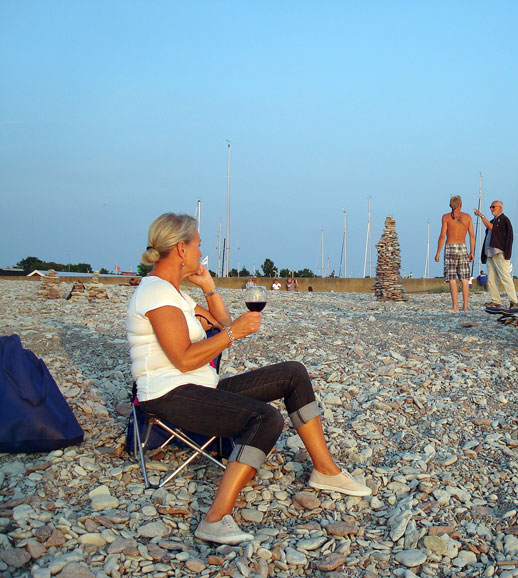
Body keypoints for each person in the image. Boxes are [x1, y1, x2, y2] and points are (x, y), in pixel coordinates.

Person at [126, 213, 370, 545]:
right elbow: (183, 358)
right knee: (265, 419)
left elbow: (224, 323)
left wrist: (210, 289)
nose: (202, 252)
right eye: (198, 245)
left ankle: (325, 471)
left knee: (292, 374)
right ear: (181, 249)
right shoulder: (156, 293)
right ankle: (214, 518)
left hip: (200, 387)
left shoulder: (177, 295)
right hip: (169, 395)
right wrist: (233, 332)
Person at [473, 200, 518, 309]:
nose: (491, 209)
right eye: (490, 207)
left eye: (493, 207)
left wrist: (482, 216)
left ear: (500, 208)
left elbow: (492, 228)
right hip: (490, 254)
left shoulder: (503, 220)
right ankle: (495, 301)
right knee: (492, 278)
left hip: (499, 253)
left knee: (505, 277)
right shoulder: (495, 220)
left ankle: (514, 301)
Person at [434, 195, 475, 312]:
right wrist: (472, 251)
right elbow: (472, 236)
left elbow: (442, 236)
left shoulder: (446, 217)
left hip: (450, 247)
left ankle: (455, 306)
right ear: (461, 205)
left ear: (450, 205)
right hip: (463, 247)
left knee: (452, 278)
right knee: (464, 278)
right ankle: (465, 307)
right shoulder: (467, 217)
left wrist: (438, 252)